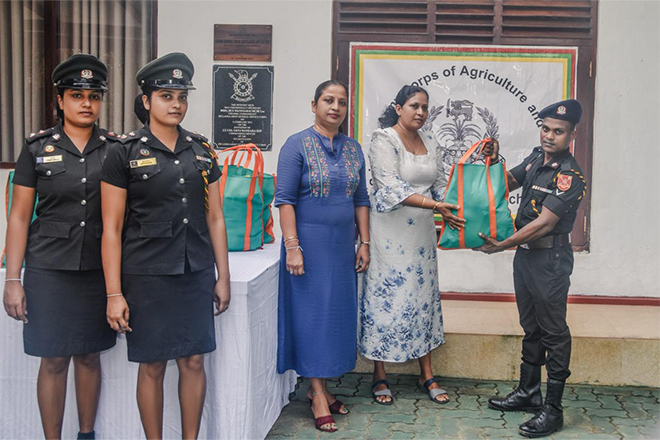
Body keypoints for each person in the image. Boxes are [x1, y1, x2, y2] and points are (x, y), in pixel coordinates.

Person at [100, 52, 230, 440]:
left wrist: (222, 276)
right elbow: (111, 228)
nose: (176, 104)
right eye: (166, 96)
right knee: (153, 365)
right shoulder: (123, 152)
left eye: (181, 97)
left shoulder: (202, 150)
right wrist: (114, 293)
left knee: (193, 361)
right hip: (147, 275)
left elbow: (216, 218)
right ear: (146, 100)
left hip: (194, 271)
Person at [3, 54, 116, 440]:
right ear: (60, 100)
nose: (86, 103)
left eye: (94, 96)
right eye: (77, 95)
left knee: (89, 355)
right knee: (53, 359)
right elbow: (19, 216)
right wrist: (13, 279)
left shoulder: (115, 149)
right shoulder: (37, 148)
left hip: (97, 268)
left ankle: (86, 435)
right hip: (49, 269)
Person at [358, 85, 480, 406]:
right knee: (386, 301)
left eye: (425, 107)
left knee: (422, 300)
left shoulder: (430, 140)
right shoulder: (383, 139)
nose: (421, 112)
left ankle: (427, 373)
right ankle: (379, 374)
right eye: (414, 106)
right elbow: (390, 188)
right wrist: (435, 206)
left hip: (421, 237)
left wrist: (456, 205)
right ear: (399, 108)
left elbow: (441, 185)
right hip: (388, 237)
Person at [476, 99, 587, 438]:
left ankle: (552, 409)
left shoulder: (570, 176)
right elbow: (508, 181)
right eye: (546, 129)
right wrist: (493, 160)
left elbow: (544, 223)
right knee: (531, 326)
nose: (549, 136)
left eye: (558, 131)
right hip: (525, 257)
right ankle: (528, 392)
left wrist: (503, 244)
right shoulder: (538, 158)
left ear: (572, 135)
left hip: (550, 260)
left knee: (554, 332)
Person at [275, 80, 370, 433]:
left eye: (342, 102)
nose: (335, 107)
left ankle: (324, 388)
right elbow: (285, 199)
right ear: (314, 104)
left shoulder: (353, 149)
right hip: (308, 247)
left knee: (334, 318)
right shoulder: (296, 145)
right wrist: (293, 246)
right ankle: (316, 394)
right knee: (313, 319)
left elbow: (361, 199)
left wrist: (365, 242)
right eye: (328, 100)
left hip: (341, 246)